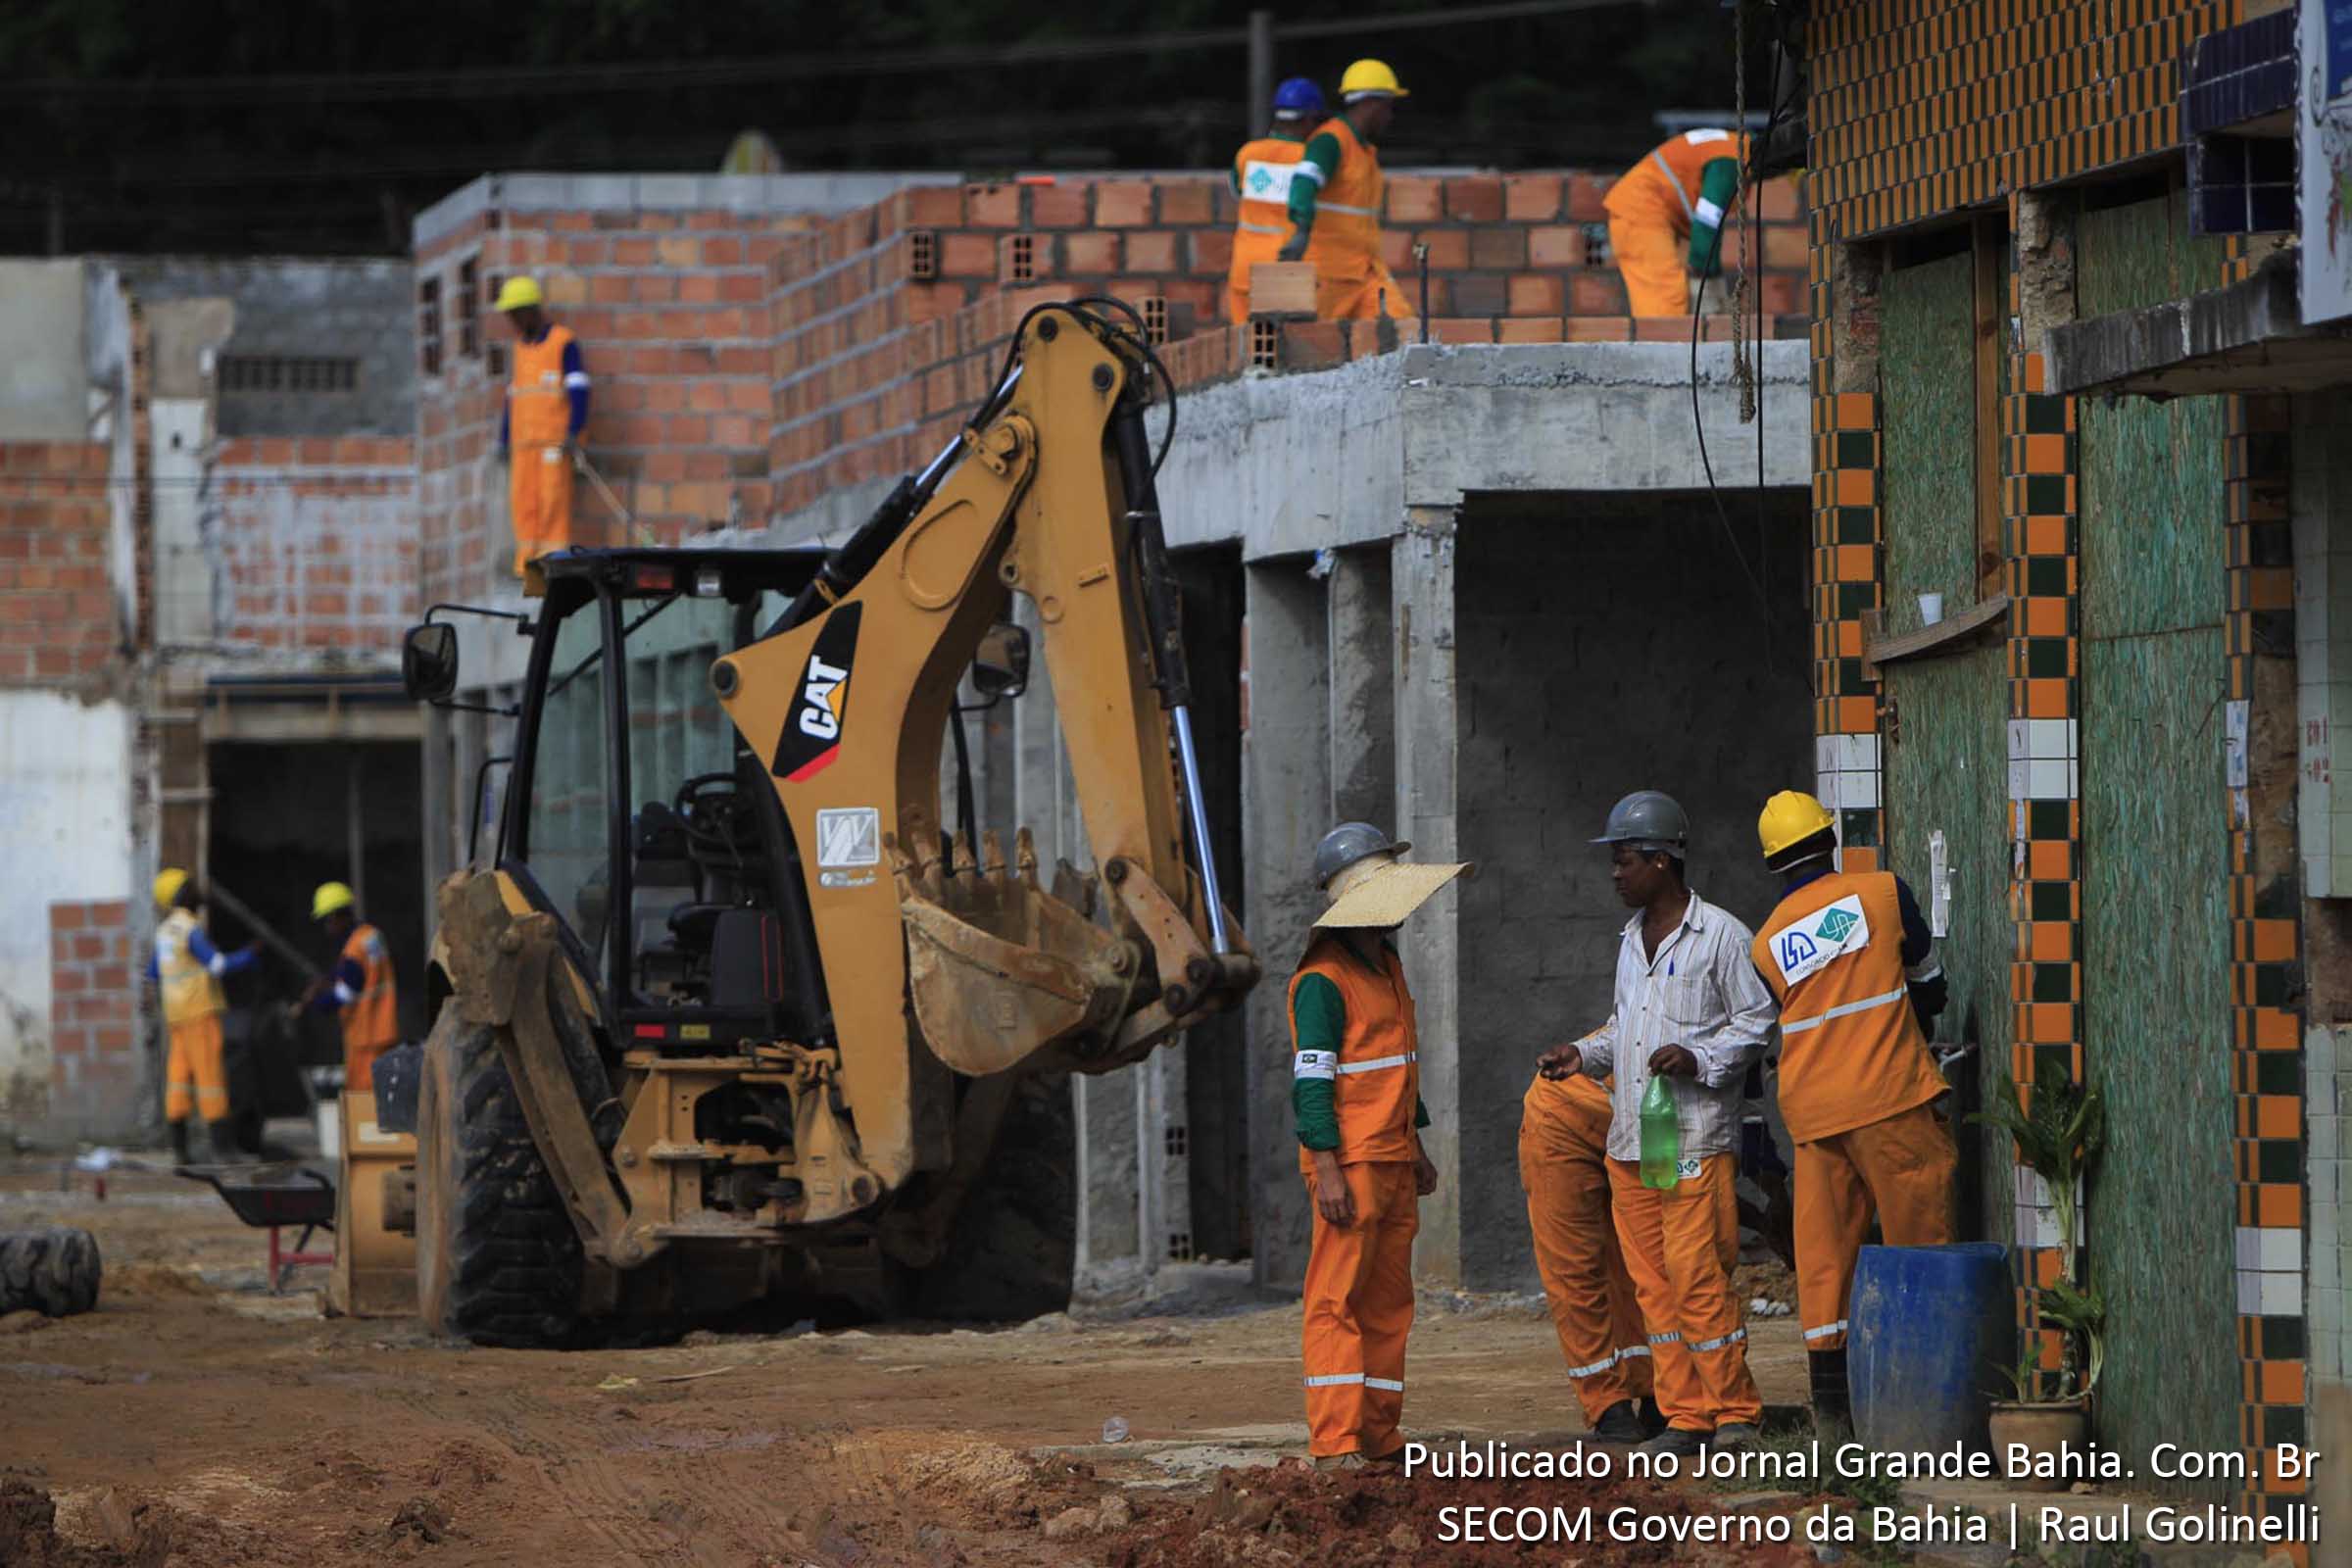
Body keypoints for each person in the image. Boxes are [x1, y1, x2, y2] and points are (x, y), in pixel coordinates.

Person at [1538, 791, 1774, 1459]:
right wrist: (1580, 1055)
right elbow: (1624, 1030)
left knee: (1698, 1279)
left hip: (1693, 1137)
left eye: (1624, 861)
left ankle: (1736, 1412)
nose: (1615, 874)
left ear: (1662, 862)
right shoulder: (1629, 941)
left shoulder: (1723, 937)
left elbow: (1756, 1022)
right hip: (1634, 1143)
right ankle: (1686, 1415)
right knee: (1656, 1289)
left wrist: (1699, 1058)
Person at [1749, 790, 1955, 1440]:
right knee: (1919, 1240)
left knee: (1824, 1259)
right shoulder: (1882, 894)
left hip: (1814, 1116)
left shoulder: (1765, 945)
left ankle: (1834, 1419)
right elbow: (1929, 978)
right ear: (1830, 841)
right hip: (1888, 1097)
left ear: (1774, 865)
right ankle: (1925, 1404)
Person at [1292, 821, 1466, 1470]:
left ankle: (1378, 1436)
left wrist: (1415, 1145)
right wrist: (1327, 1167)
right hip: (1353, 1166)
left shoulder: (1383, 966)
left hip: (1390, 1161)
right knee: (1337, 1302)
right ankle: (1336, 1442)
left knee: (1389, 1304)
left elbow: (1396, 1066)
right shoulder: (1323, 980)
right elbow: (1312, 1083)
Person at [1519, 1052, 1659, 1442]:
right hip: (1565, 1118)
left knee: (1644, 1264)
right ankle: (1608, 1405)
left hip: (1640, 1115)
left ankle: (1657, 1394)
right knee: (1574, 1269)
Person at [1278, 59, 1411, 320]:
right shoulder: (1330, 141)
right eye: (1388, 106)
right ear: (1371, 104)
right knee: (1318, 352)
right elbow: (1304, 181)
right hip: (1329, 275)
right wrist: (1301, 228)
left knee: (1404, 329)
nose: (1390, 116)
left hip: (1366, 273)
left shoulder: (1363, 150)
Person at [146, 868, 260, 1163]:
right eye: (191, 887)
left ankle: (180, 1152)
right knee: (211, 1077)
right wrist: (249, 954)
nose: (197, 892)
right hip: (199, 1013)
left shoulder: (163, 933)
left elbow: (153, 973)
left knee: (179, 1079)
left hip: (176, 1017)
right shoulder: (189, 928)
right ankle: (224, 1150)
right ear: (181, 895)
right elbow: (218, 965)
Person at [495, 275, 590, 577]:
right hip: (524, 445)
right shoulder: (520, 349)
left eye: (515, 314)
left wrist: (574, 432)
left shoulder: (563, 342)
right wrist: (504, 438)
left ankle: (553, 564)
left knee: (552, 504)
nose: (512, 321)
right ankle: (528, 567)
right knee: (523, 505)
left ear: (530, 310)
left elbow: (579, 389)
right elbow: (513, 397)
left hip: (553, 444)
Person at [1603, 128, 1749, 318]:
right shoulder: (1729, 162)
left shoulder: (1732, 146)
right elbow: (1707, 226)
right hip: (1641, 208)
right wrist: (1709, 283)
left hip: (1664, 216)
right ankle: (1658, 347)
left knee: (1683, 300)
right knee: (1666, 300)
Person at [1226, 75, 1326, 324]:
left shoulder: (1248, 153)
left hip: (1244, 272)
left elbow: (1236, 193)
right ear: (1310, 119)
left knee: (1245, 353)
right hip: (1288, 272)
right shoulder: (1309, 161)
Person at [300, 881, 401, 1094]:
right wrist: (329, 978)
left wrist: (317, 1004)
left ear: (336, 916)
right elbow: (362, 972)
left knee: (364, 1099)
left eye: (326, 921)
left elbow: (347, 992)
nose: (326, 928)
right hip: (383, 1029)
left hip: (365, 1037)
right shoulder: (370, 935)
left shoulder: (353, 950)